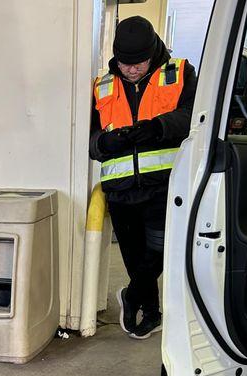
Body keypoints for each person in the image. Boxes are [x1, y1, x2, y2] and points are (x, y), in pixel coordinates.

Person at [89, 16, 196, 339]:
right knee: (135, 258)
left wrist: (158, 127)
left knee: (160, 251)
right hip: (120, 190)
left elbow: (195, 115)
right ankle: (151, 312)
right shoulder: (103, 85)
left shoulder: (179, 73)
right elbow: (90, 138)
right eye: (125, 64)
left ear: (154, 52)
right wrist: (103, 143)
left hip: (165, 186)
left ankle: (133, 294)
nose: (132, 70)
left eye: (139, 63)